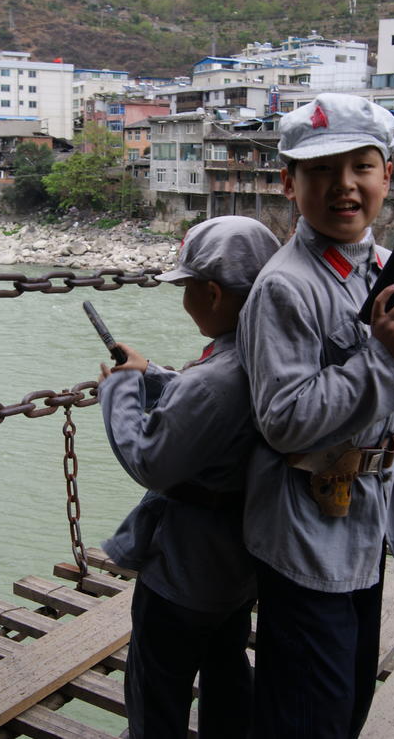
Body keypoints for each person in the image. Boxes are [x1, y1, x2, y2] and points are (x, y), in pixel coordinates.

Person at [236, 93, 394, 738]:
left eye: (361, 167)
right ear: (290, 183)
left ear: (387, 176)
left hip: (363, 522)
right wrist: (380, 357)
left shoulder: (373, 266)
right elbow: (283, 420)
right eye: (320, 171)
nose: (344, 186)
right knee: (308, 716)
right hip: (307, 534)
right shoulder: (285, 287)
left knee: (347, 706)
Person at [98, 216, 280, 738]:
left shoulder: (211, 382)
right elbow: (207, 400)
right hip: (240, 558)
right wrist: (154, 374)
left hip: (183, 569)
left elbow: (149, 460)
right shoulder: (270, 356)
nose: (184, 302)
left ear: (214, 294)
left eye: (187, 290)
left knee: (156, 691)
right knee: (226, 665)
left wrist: (122, 391)